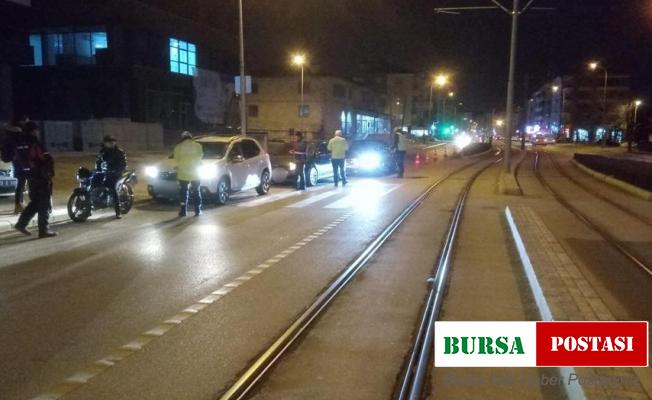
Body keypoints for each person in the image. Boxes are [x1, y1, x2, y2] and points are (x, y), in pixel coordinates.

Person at [14, 121, 57, 238]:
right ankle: (44, 229)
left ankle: (21, 223)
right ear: (33, 131)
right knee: (44, 202)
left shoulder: (20, 143)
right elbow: (43, 158)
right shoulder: (34, 143)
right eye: (36, 130)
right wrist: (49, 170)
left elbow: (18, 160)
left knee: (36, 202)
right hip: (41, 175)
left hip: (29, 175)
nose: (37, 132)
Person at [1, 115, 30, 213]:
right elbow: (20, 147)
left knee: (21, 182)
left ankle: (20, 203)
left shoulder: (9, 132)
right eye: (25, 121)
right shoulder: (17, 132)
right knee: (21, 182)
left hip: (14, 160)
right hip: (18, 160)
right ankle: (18, 204)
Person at [173, 131, 204, 217]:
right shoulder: (198, 145)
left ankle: (183, 210)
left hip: (183, 173)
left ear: (182, 137)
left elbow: (176, 159)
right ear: (191, 137)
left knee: (183, 192)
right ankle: (197, 210)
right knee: (196, 191)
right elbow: (200, 156)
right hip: (195, 173)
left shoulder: (178, 147)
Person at [96, 135, 127, 219]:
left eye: (113, 141)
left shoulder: (119, 152)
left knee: (113, 188)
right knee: (95, 182)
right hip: (105, 172)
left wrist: (117, 170)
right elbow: (98, 161)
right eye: (109, 142)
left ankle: (118, 211)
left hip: (116, 174)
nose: (111, 143)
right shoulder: (103, 151)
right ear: (105, 143)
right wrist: (97, 169)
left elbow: (123, 164)